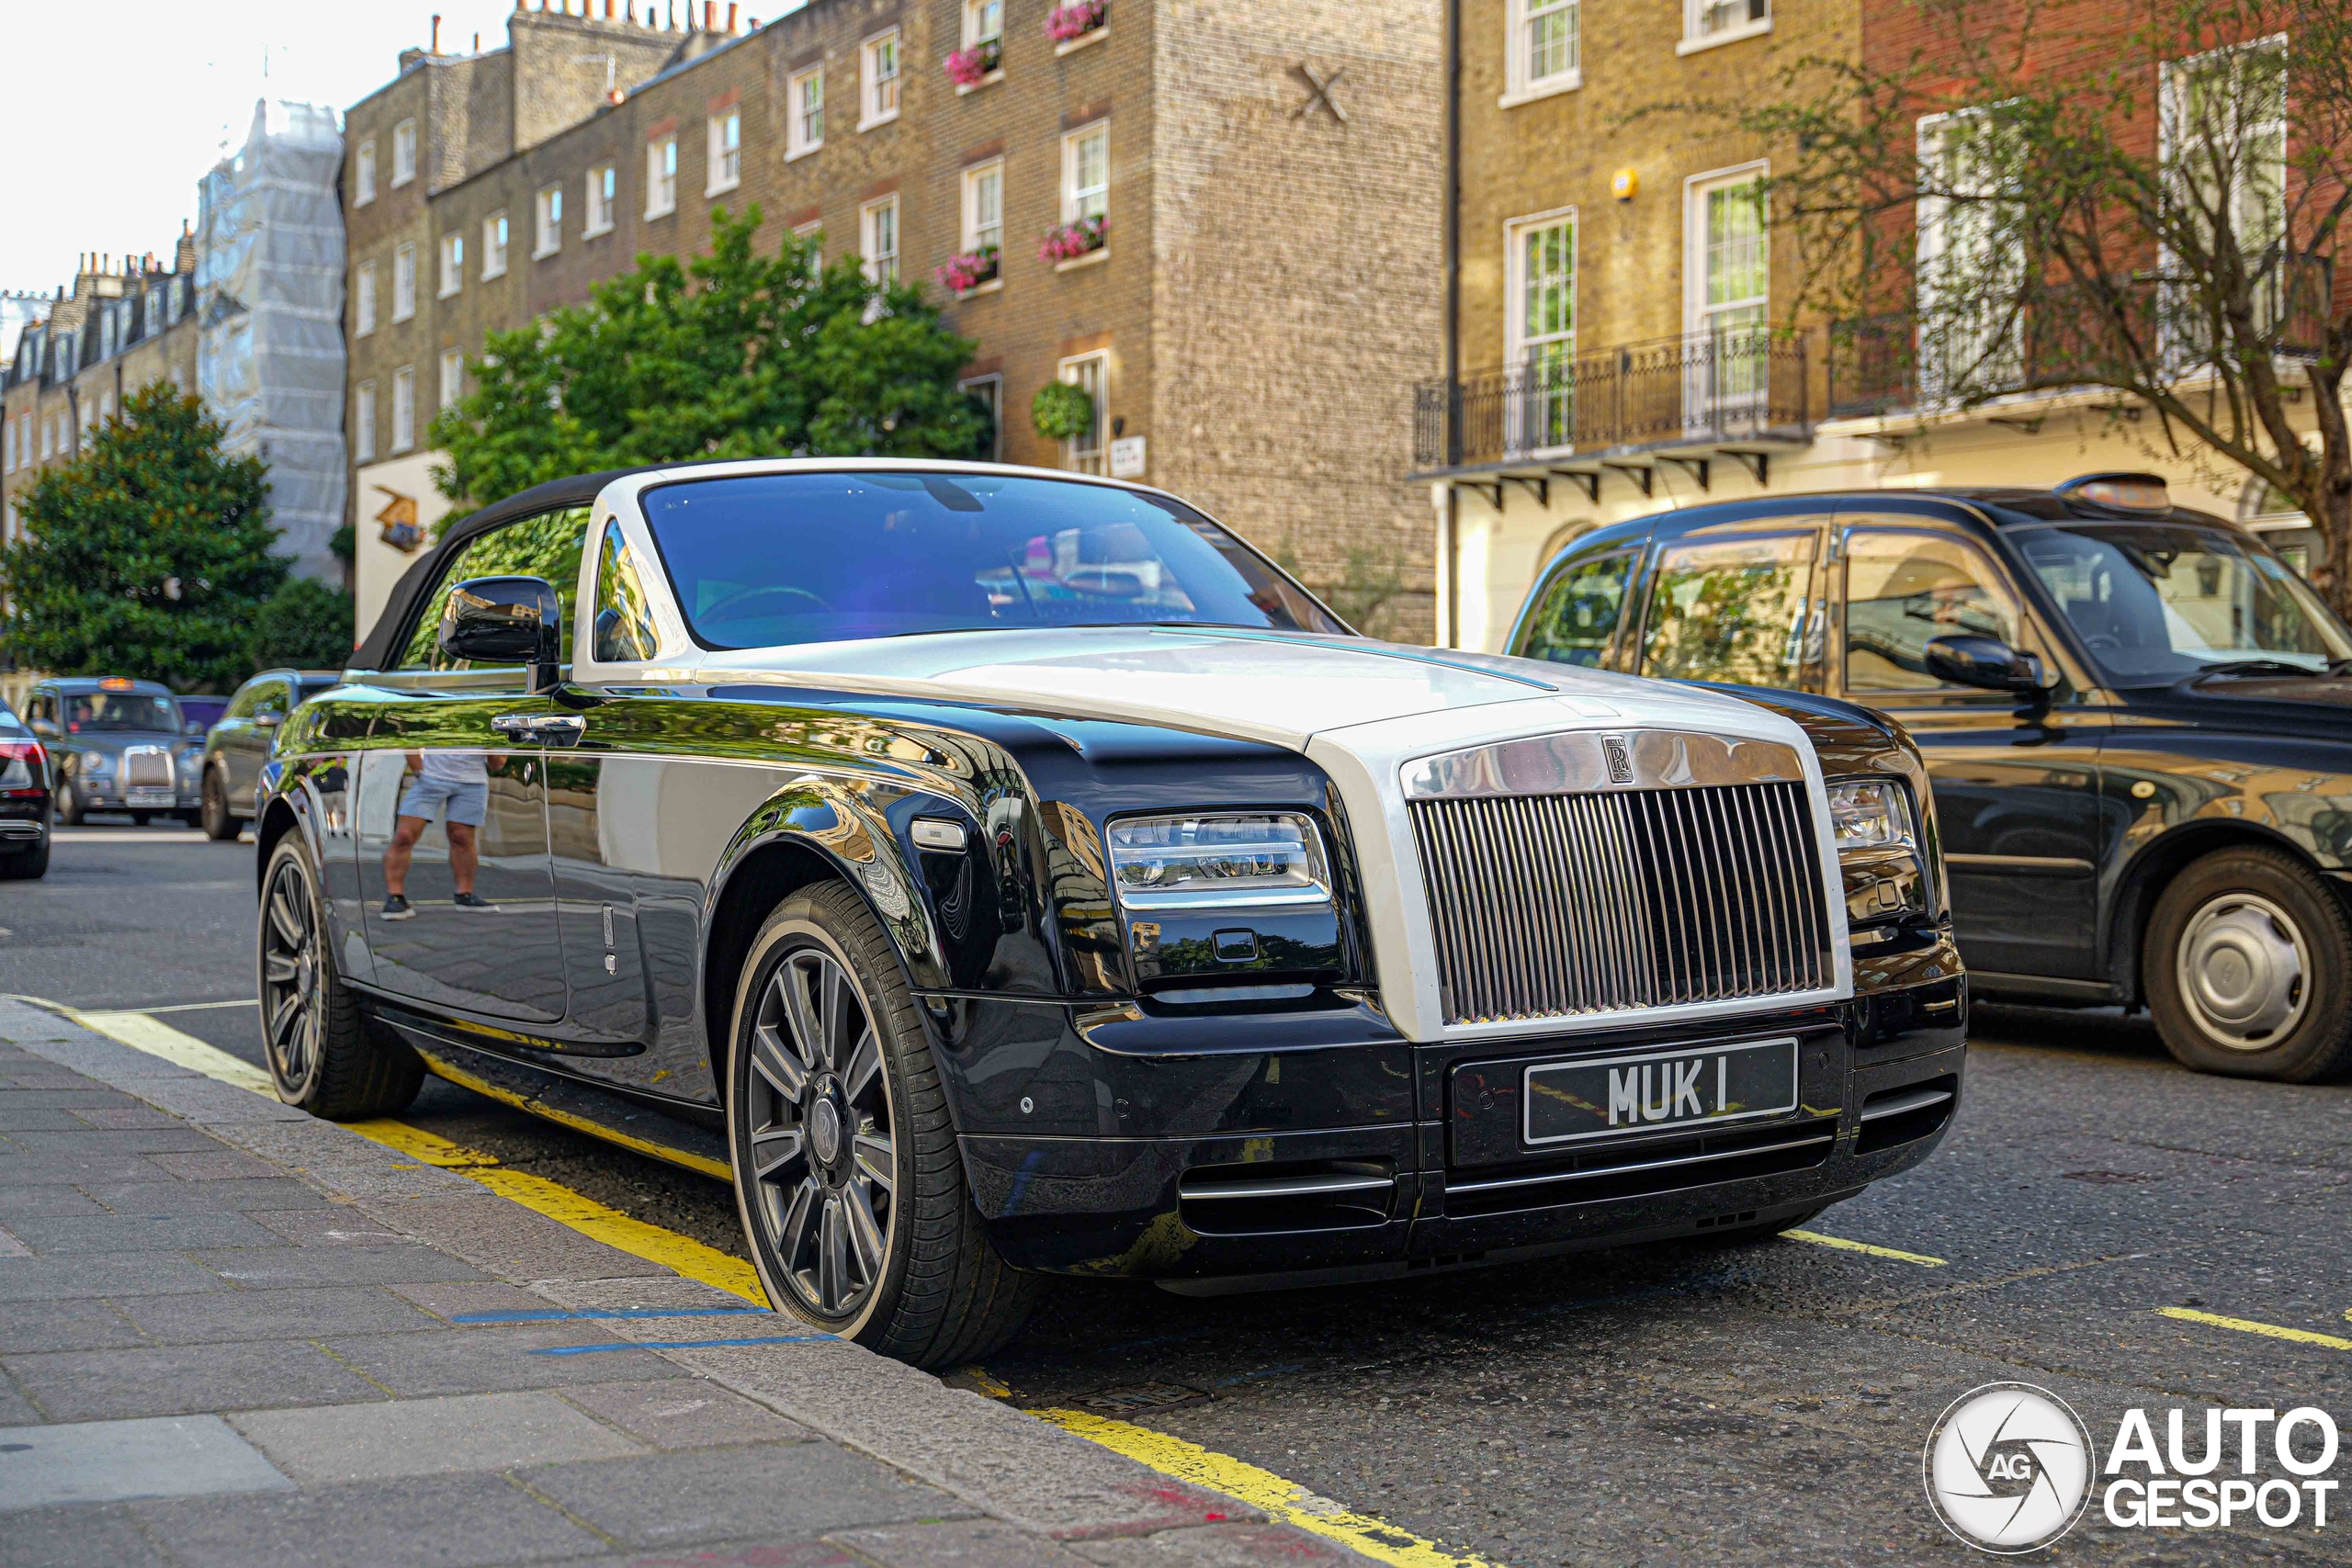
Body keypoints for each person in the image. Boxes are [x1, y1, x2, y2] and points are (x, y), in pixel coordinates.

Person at [379, 750, 503, 919]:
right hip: (431, 778)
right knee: (404, 835)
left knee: (462, 838)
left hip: (472, 782)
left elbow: (498, 764)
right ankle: (395, 897)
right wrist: (418, 770)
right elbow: (411, 736)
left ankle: (465, 895)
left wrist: (492, 747)